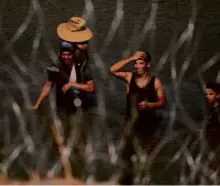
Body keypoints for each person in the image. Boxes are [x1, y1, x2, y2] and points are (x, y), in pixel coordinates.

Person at [32, 16, 95, 179]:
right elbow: (48, 84)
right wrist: (38, 103)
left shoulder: (81, 62)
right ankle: (61, 167)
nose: (66, 57)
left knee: (77, 138)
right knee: (60, 138)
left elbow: (90, 87)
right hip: (62, 106)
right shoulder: (55, 66)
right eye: (64, 54)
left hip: (80, 106)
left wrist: (72, 85)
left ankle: (77, 169)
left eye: (69, 54)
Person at [110, 51, 166, 184]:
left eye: (140, 63)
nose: (137, 66)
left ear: (148, 64)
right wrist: (131, 58)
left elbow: (162, 102)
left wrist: (150, 105)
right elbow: (112, 69)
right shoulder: (129, 77)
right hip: (131, 126)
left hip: (148, 127)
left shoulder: (155, 81)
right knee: (127, 158)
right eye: (136, 63)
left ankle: (143, 182)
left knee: (145, 159)